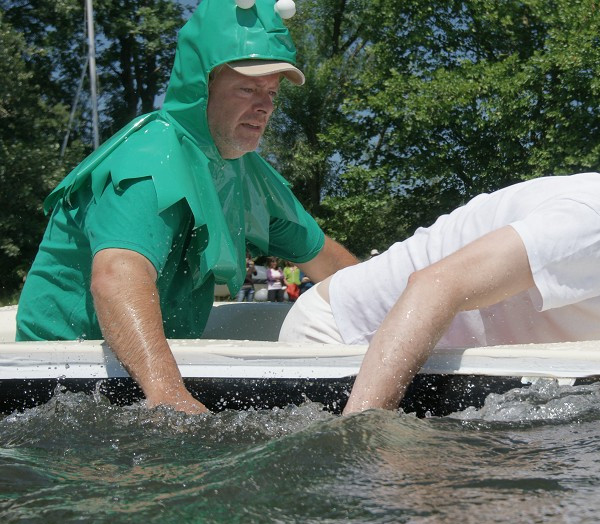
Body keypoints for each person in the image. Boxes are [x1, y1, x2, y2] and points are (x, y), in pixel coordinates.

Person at [280, 72, 600, 413]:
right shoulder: (595, 223)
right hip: (339, 337)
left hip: (403, 342)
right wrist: (367, 434)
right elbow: (435, 285)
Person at [15, 0, 358, 413]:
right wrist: (168, 394)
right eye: (247, 88)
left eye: (271, 91)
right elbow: (116, 277)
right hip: (55, 382)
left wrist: (405, 312)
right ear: (202, 85)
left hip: (147, 368)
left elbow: (332, 267)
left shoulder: (246, 174)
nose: (264, 105)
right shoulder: (147, 159)